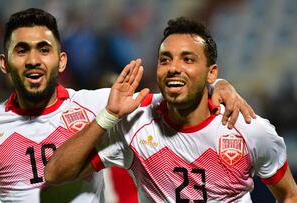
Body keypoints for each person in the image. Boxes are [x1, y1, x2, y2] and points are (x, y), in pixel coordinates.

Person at [0, 8, 254, 203]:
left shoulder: (97, 104)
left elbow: (175, 102)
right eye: (22, 51)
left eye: (43, 50)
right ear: (4, 64)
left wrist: (217, 85)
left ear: (61, 61)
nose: (33, 60)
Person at [44, 17, 297, 202]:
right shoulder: (135, 126)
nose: (174, 67)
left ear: (212, 74)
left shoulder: (248, 128)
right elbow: (55, 173)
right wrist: (107, 116)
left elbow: (288, 195)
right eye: (165, 59)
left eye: (188, 59)